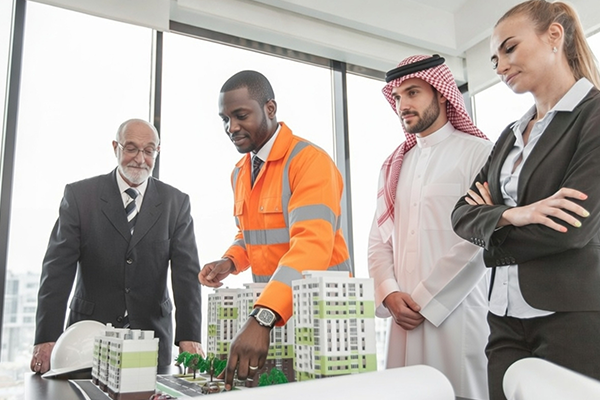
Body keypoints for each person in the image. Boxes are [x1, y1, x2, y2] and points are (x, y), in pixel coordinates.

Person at [451, 1, 600, 399]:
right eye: (494, 58)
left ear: (554, 36)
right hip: (502, 319)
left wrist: (492, 227)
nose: (499, 66)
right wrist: (517, 214)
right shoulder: (509, 135)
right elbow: (460, 214)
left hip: (571, 316)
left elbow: (571, 229)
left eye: (509, 48)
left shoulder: (594, 116)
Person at [199, 70, 351, 390]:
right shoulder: (240, 173)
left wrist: (263, 318)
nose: (231, 127)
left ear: (270, 109)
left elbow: (311, 245)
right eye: (224, 119)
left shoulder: (309, 161)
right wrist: (230, 261)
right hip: (275, 322)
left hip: (321, 319)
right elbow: (250, 234)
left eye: (240, 116)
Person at [31, 119, 204, 374]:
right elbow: (57, 271)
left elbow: (187, 275)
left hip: (153, 337)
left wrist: (189, 336)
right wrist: (46, 338)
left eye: (149, 150)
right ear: (116, 147)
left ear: (157, 151)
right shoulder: (80, 196)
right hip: (85, 341)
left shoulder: (175, 203)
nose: (140, 159)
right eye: (132, 148)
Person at [368, 54, 492, 400]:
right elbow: (379, 239)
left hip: (456, 314)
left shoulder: (479, 153)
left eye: (412, 93)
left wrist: (424, 300)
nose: (402, 104)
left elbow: (480, 238)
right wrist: (389, 293)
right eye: (397, 97)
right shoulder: (393, 165)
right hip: (401, 317)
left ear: (440, 92)